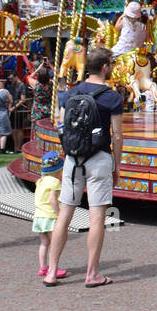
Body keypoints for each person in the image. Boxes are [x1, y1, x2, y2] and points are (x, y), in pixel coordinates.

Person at [44, 48, 123, 287]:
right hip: (99, 158)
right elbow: (117, 136)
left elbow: (60, 124)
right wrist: (117, 165)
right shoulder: (112, 97)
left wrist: (70, 149)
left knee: (64, 215)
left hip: (72, 159)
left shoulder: (70, 93)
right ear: (106, 66)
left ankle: (51, 271)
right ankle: (92, 273)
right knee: (97, 215)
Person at [32, 152, 67, 280]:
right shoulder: (55, 182)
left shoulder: (40, 181)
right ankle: (54, 269)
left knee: (44, 243)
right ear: (58, 170)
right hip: (50, 216)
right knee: (54, 243)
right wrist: (59, 214)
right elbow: (52, 199)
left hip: (38, 216)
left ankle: (43, 267)